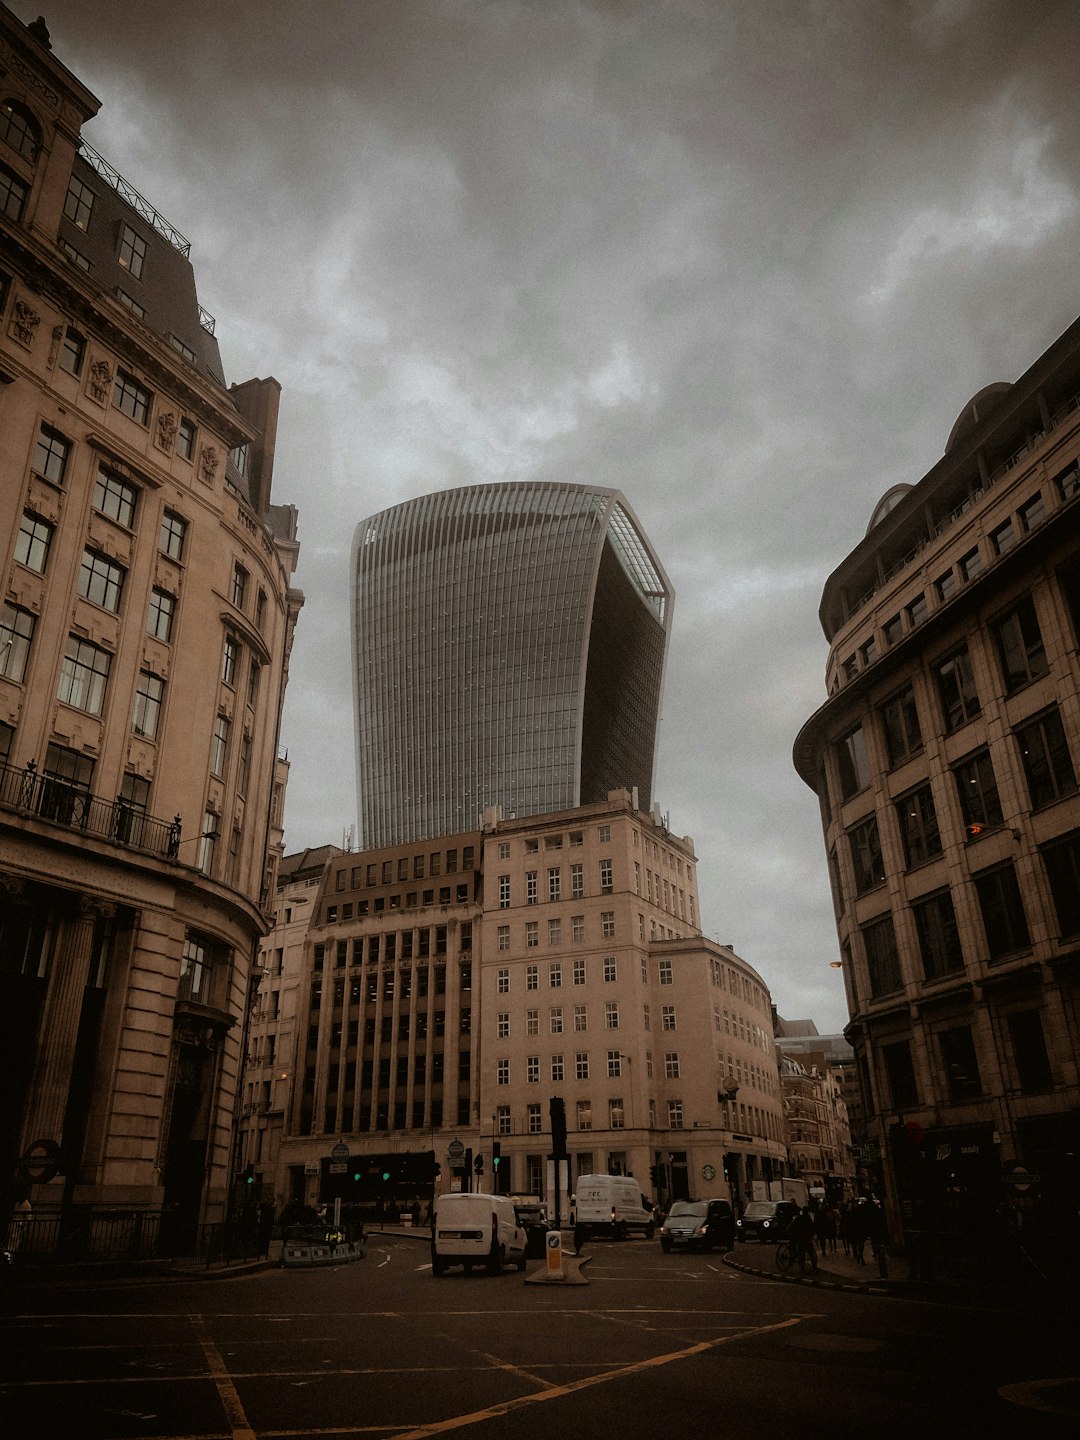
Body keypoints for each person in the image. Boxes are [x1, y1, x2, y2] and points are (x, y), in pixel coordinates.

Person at [863, 1199, 888, 1278]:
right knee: (880, 1249)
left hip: (876, 1232)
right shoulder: (878, 1211)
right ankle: (884, 1272)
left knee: (879, 1248)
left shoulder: (871, 1213)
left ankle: (883, 1272)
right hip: (879, 1232)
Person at [789, 1206, 818, 1273]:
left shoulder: (799, 1218)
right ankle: (814, 1267)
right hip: (807, 1238)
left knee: (801, 1254)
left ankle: (802, 1268)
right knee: (810, 1253)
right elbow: (812, 1227)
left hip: (800, 1239)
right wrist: (813, 1234)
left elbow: (794, 1227)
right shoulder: (808, 1218)